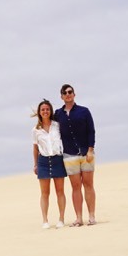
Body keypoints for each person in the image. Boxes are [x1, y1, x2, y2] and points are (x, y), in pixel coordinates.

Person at [54, 84, 97, 226]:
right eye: (65, 93)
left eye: (70, 92)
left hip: (86, 154)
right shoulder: (58, 114)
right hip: (69, 155)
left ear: (74, 94)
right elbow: (49, 127)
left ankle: (91, 216)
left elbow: (91, 131)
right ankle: (79, 218)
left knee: (88, 184)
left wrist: (90, 149)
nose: (68, 94)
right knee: (76, 187)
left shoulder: (84, 111)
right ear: (61, 96)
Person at [32, 99, 67, 229]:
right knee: (45, 193)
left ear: (50, 111)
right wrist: (35, 164)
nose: (45, 111)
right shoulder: (35, 130)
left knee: (60, 191)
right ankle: (45, 220)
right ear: (39, 113)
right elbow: (35, 148)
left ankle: (61, 219)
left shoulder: (57, 125)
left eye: (47, 109)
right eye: (43, 110)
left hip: (57, 159)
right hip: (43, 162)